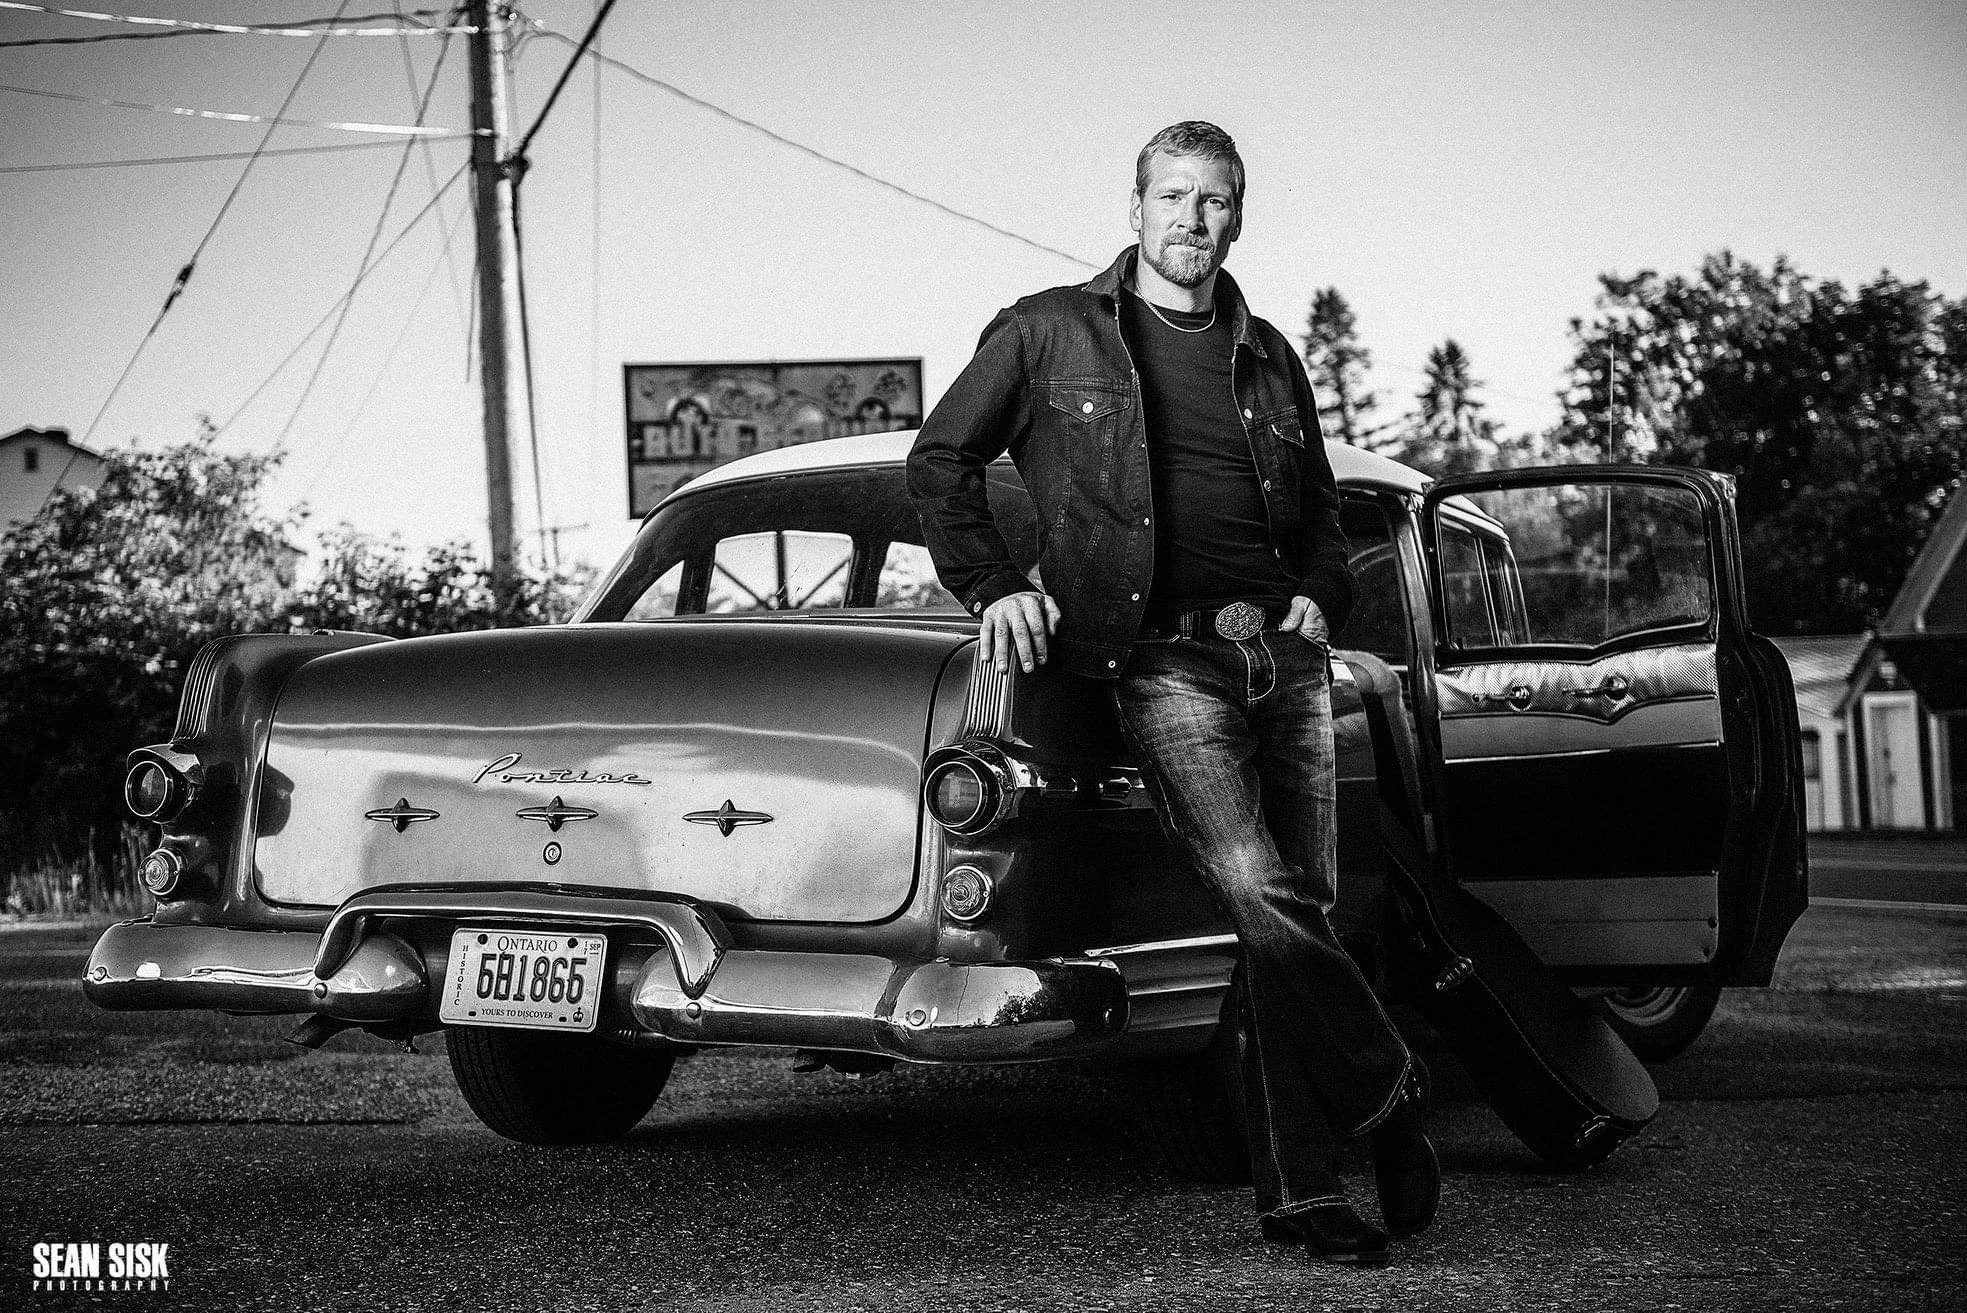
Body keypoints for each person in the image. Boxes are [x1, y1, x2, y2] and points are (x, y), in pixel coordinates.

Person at [907, 122, 1439, 1265]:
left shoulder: (1270, 355)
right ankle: (1388, 1084)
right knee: (1254, 881)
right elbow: (938, 459)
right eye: (1173, 196)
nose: (1193, 219)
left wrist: (1319, 594)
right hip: (1157, 656)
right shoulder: (1047, 331)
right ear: (1135, 207)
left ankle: (1300, 1193)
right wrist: (993, 585)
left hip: (1282, 657)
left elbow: (1318, 516)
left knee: (1286, 921)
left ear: (1236, 217)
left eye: (1214, 200)